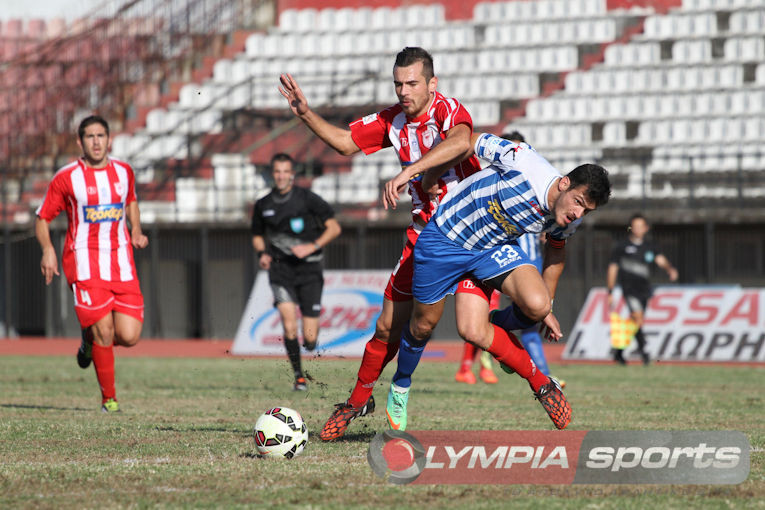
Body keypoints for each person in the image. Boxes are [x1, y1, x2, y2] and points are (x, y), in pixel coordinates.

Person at [279, 47, 492, 440]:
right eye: (398, 84)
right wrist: (306, 113)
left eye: (412, 83)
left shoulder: (447, 110)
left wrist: (410, 169)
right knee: (386, 328)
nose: (404, 91)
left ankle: (540, 379)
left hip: (468, 235)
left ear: (432, 83)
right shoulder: (392, 120)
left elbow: (462, 142)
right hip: (423, 237)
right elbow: (345, 143)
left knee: (483, 325)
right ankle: (358, 400)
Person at [386, 132, 612, 431]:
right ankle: (400, 386)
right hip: (445, 240)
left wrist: (548, 309)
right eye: (579, 203)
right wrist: (422, 174)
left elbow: (556, 254)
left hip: (488, 250)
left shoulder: (568, 218)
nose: (578, 213)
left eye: (587, 211)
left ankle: (510, 339)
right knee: (423, 326)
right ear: (564, 183)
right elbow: (465, 141)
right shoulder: (524, 161)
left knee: (536, 304)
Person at [35, 115, 148, 413]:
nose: (96, 142)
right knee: (105, 332)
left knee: (129, 336)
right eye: (90, 136)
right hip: (84, 265)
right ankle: (109, 400)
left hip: (122, 264)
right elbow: (43, 218)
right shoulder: (67, 177)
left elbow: (132, 202)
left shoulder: (124, 172)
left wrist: (135, 229)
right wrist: (47, 249)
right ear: (80, 142)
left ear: (110, 139)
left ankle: (88, 340)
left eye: (101, 136)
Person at [251, 153, 342, 391]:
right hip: (280, 270)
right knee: (289, 325)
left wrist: (311, 246)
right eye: (277, 171)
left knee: (310, 338)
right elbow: (257, 235)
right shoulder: (263, 205)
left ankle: (310, 346)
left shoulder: (308, 199)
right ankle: (299, 378)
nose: (281, 176)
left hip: (310, 269)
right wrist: (262, 254)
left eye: (285, 171)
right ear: (273, 174)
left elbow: (334, 228)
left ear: (293, 174)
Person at [606, 213, 678, 365]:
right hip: (629, 289)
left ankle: (619, 352)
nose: (637, 229)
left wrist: (670, 269)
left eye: (641, 226)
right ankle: (644, 352)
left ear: (646, 228)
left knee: (636, 321)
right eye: (635, 226)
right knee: (638, 318)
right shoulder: (622, 247)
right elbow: (613, 268)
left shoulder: (650, 246)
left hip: (644, 290)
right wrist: (610, 291)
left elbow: (660, 260)